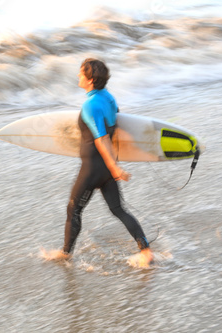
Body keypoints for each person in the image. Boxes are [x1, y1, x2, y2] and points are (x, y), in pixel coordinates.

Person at [44, 58, 153, 267]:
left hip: (93, 168)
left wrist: (115, 168)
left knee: (73, 210)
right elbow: (116, 118)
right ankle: (146, 251)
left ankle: (65, 253)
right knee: (118, 210)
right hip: (105, 167)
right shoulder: (107, 97)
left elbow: (101, 138)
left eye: (81, 74)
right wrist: (112, 167)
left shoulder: (90, 105)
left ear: (90, 79)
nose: (78, 76)